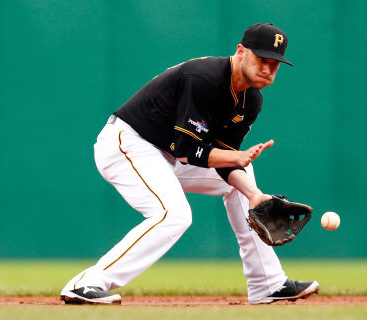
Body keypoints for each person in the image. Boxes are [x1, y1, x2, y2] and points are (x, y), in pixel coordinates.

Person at [60, 23, 319, 305]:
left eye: (275, 64)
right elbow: (187, 150)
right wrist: (235, 157)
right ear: (241, 51)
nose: (268, 69)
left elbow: (223, 160)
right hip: (129, 144)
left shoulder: (252, 100)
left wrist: (254, 195)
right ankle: (87, 283)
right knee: (174, 214)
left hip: (166, 155)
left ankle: (268, 284)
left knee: (245, 180)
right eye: (262, 60)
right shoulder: (204, 78)